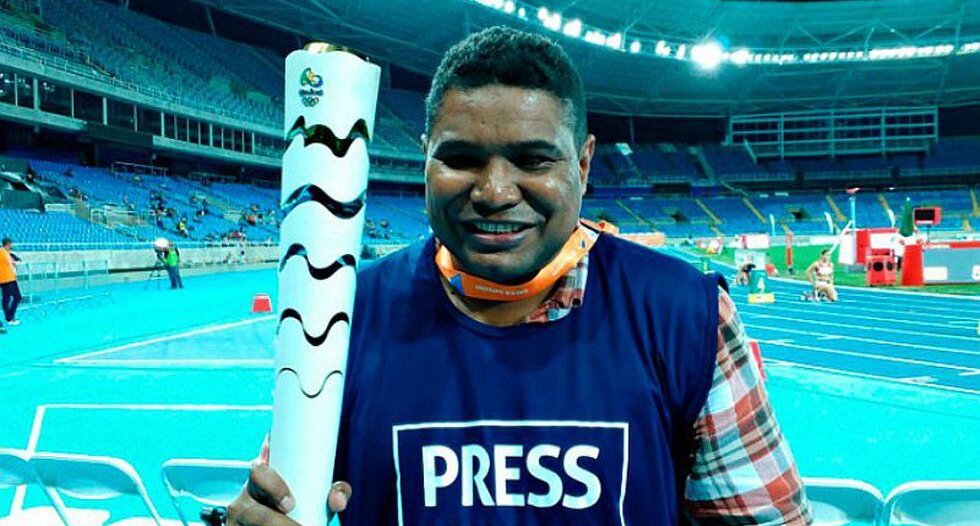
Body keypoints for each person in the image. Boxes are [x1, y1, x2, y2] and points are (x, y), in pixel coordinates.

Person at [227, 27, 810, 526]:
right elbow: (283, 498)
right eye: (460, 159)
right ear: (425, 157)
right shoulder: (345, 313)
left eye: (533, 160)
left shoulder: (686, 316)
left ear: (583, 163)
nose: (495, 192)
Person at [0, 238, 22, 326]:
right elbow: (10, 262)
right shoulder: (2, 252)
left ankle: (10, 316)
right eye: (11, 244)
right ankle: (9, 318)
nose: (12, 246)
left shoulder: (7, 253)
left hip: (11, 278)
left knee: (16, 297)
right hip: (6, 279)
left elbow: (15, 261)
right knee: (8, 298)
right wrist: (14, 262)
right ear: (8, 244)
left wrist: (15, 261)